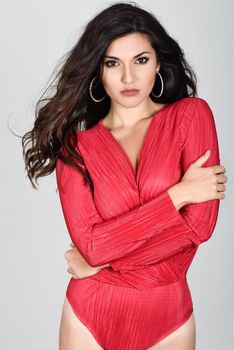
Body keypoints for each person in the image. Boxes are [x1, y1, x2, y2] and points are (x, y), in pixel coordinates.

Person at [22, 2, 228, 349]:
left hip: (169, 318)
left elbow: (198, 228)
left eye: (141, 60)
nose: (128, 78)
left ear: (158, 62)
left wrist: (101, 264)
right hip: (89, 314)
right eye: (112, 63)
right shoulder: (75, 148)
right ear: (98, 71)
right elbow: (90, 245)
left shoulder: (192, 117)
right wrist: (178, 195)